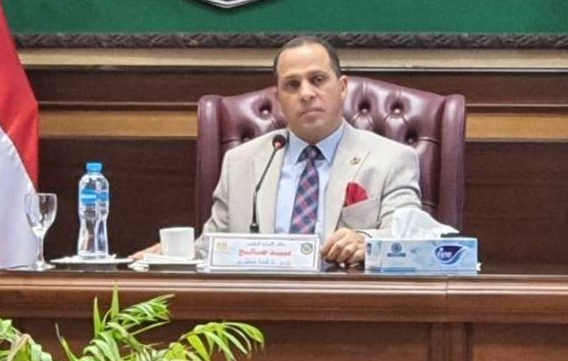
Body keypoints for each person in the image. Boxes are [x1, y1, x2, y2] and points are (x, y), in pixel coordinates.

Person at [136, 36, 422, 266]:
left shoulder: (391, 159)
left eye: (318, 79)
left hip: (348, 305)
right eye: (292, 85)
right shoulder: (241, 162)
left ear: (343, 87)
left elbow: (409, 238)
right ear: (278, 98)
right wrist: (171, 256)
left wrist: (366, 241)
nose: (306, 94)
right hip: (257, 306)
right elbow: (215, 245)